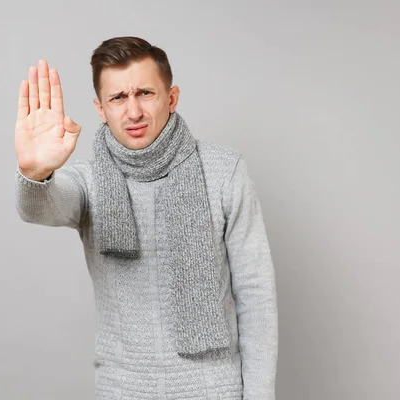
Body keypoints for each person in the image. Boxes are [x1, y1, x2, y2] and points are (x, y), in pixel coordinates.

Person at [14, 36, 278, 400]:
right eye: (118, 98)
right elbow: (39, 207)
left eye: (145, 93)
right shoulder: (90, 181)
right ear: (100, 108)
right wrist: (34, 172)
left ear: (171, 98)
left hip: (214, 388)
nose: (133, 111)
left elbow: (255, 293)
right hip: (123, 390)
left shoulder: (223, 170)